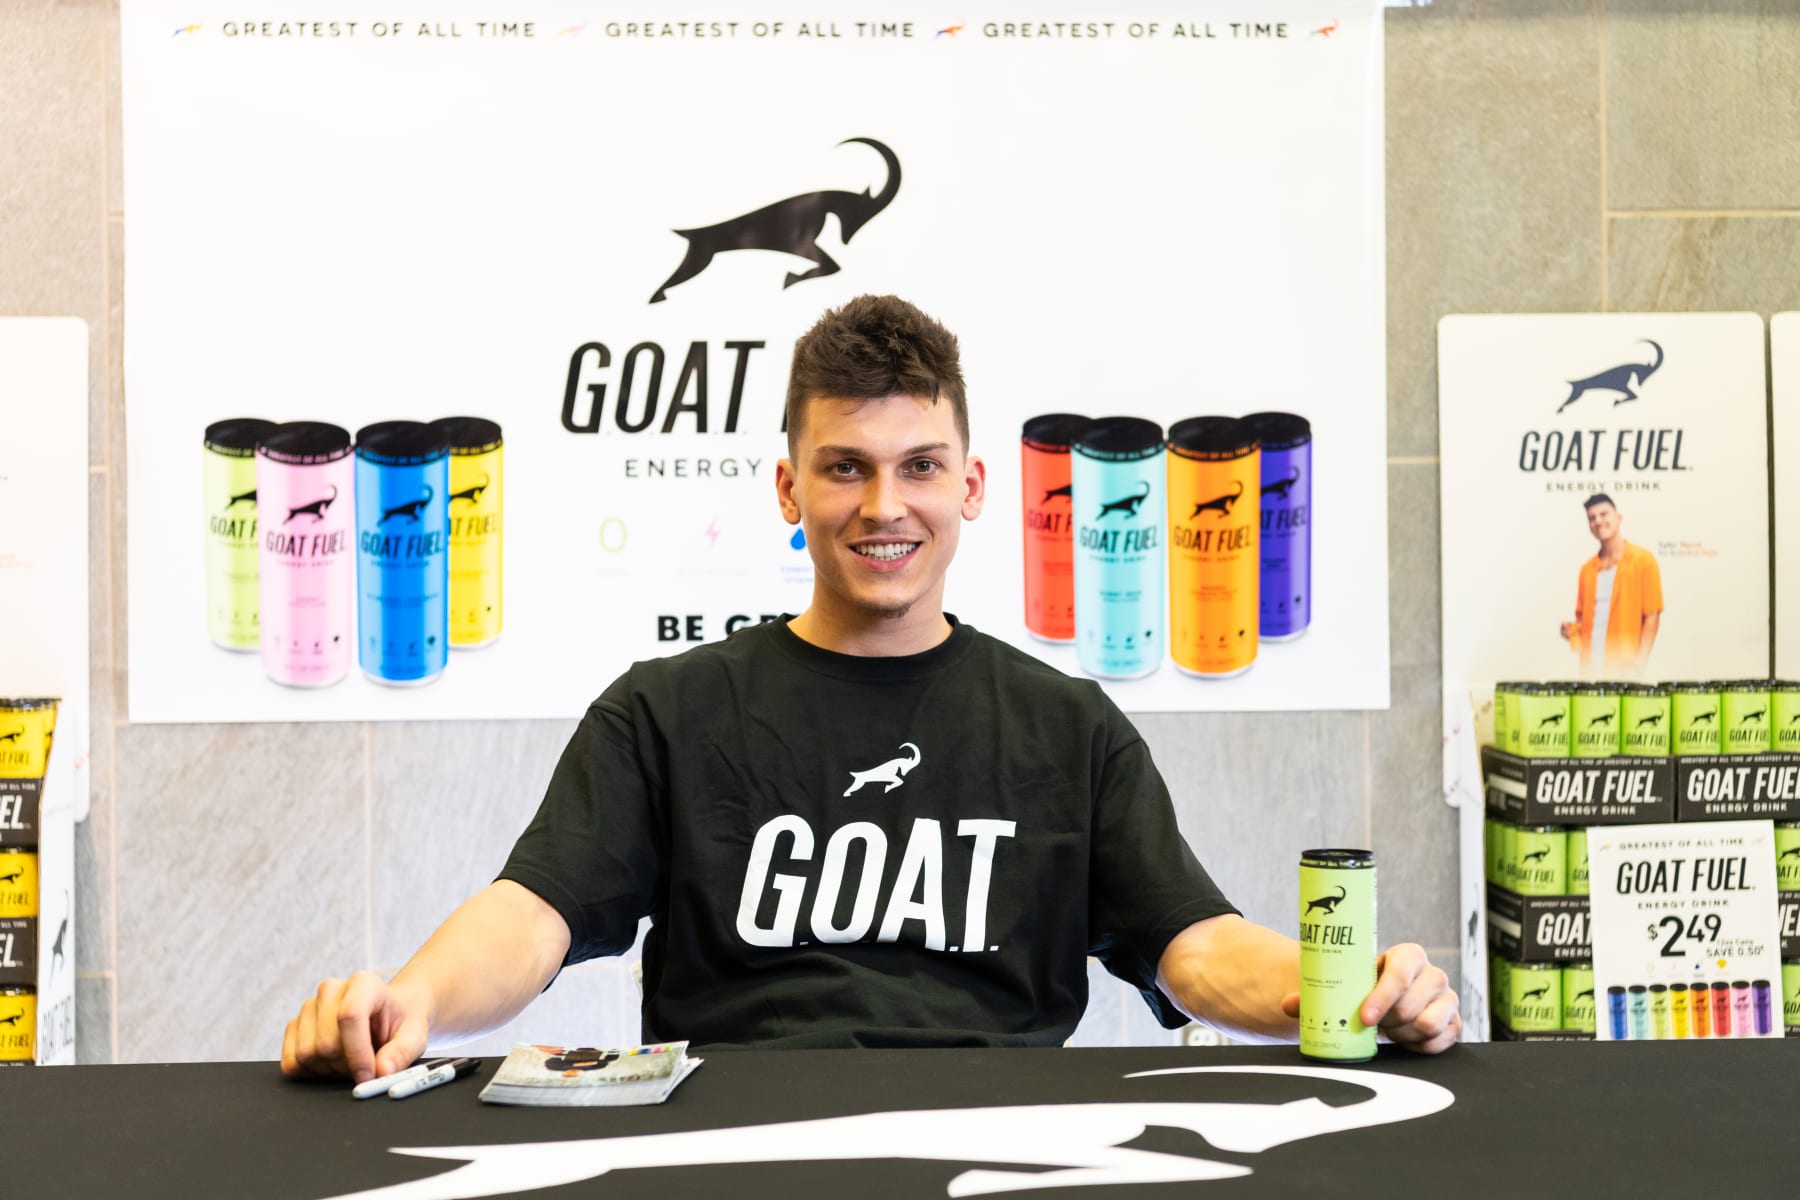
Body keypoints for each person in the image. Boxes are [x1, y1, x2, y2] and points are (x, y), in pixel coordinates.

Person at [281, 296, 1459, 1080]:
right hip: (734, 1155)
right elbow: (533, 916)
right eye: (845, 468)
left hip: (1004, 1153)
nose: (884, 505)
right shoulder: (668, 713)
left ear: (974, 485)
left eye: (919, 467)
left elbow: (1189, 946)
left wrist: (1342, 988)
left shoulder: (1066, 728)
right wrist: (415, 1001)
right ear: (789, 490)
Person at [1558, 492, 1663, 677]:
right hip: (1590, 669)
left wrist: (1640, 663)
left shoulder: (1643, 561)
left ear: (1619, 518)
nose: (1598, 521)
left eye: (1604, 514)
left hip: (1625, 669)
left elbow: (1652, 615)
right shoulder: (1587, 570)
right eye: (1592, 518)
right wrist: (1570, 630)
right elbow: (1585, 621)